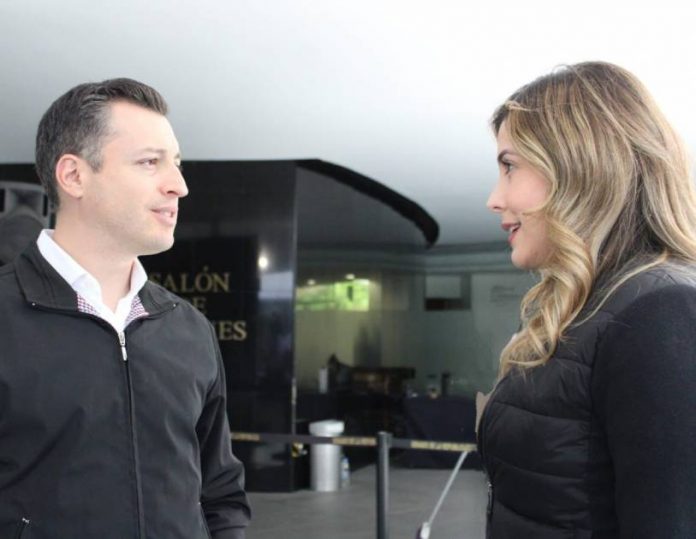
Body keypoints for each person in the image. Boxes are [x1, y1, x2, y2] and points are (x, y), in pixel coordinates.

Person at [0, 79, 251, 538]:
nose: (179, 186)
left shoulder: (188, 328)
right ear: (74, 176)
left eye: (176, 164)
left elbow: (219, 491)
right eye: (149, 162)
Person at [479, 62, 696, 537]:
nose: (494, 198)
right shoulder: (593, 304)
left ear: (580, 165)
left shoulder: (660, 312)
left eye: (509, 166)